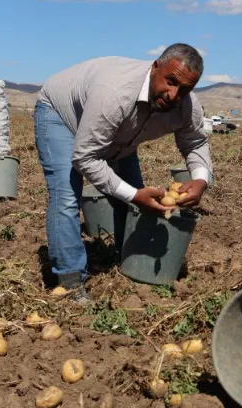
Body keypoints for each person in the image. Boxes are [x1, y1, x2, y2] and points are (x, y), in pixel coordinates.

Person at [34, 43, 213, 302]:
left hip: (117, 136)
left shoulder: (186, 106)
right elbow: (85, 157)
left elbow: (195, 142)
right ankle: (70, 280)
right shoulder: (115, 93)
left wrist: (200, 179)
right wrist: (133, 194)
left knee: (130, 201)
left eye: (185, 89)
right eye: (171, 81)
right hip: (61, 115)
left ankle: (129, 261)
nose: (174, 94)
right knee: (66, 195)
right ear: (155, 68)